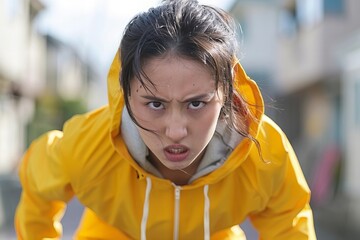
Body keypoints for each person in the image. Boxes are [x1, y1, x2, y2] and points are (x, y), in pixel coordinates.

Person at [15, 0, 317, 239]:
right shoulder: (87, 147)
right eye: (155, 104)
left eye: (196, 103)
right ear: (125, 95)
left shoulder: (264, 152)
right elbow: (38, 188)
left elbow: (289, 224)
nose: (175, 131)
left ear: (226, 93)